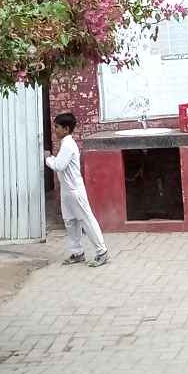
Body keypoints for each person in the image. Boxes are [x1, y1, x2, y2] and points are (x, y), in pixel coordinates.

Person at [45, 111, 110, 267]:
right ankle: (77, 253)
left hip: (75, 190)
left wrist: (47, 158)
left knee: (86, 220)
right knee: (70, 221)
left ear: (66, 129)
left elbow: (59, 165)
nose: (55, 130)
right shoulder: (65, 143)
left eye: (57, 127)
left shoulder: (68, 144)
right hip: (67, 190)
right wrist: (52, 159)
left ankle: (102, 252)